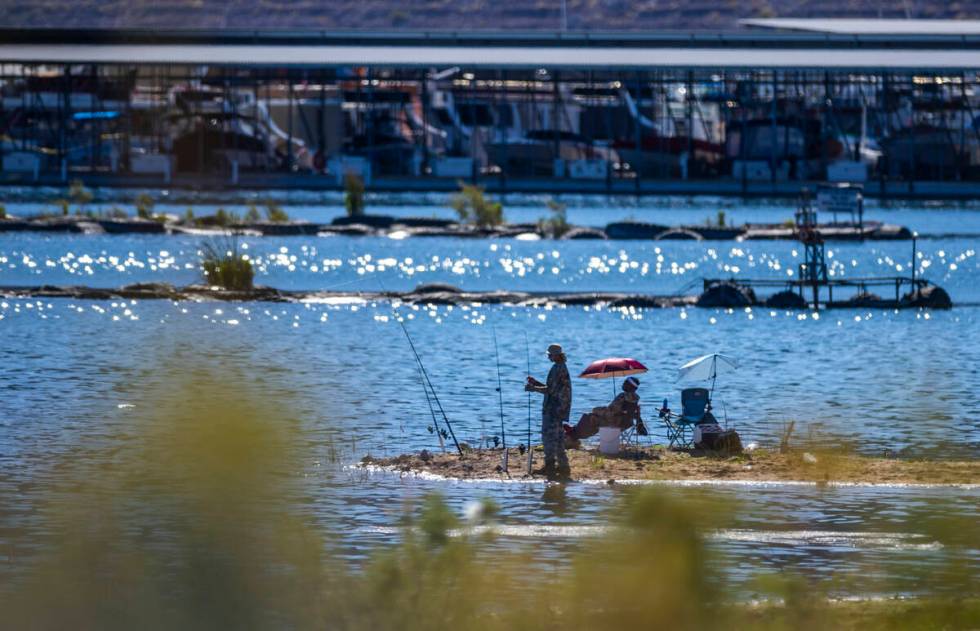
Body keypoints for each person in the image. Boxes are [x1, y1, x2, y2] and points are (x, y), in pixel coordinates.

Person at [525, 343, 571, 480]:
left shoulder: (558, 369)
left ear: (556, 355)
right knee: (558, 439)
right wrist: (536, 383)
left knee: (549, 438)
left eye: (550, 354)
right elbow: (552, 388)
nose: (549, 356)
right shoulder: (560, 367)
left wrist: (533, 389)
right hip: (559, 408)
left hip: (553, 409)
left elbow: (550, 391)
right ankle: (563, 467)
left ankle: (550, 467)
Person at [565, 376, 647, 445]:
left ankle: (574, 435)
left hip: (614, 422)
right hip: (624, 424)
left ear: (630, 386)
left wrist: (596, 410)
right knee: (595, 419)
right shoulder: (635, 399)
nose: (623, 384)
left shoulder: (622, 396)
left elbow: (610, 413)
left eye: (625, 383)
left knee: (589, 417)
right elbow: (625, 412)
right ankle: (574, 432)